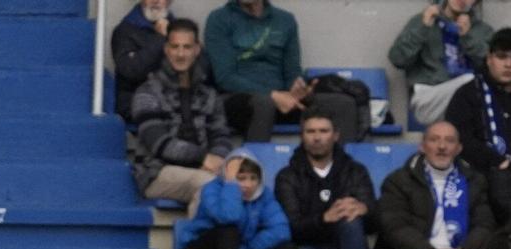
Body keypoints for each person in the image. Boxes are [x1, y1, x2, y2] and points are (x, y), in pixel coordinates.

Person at [203, 0, 362, 145]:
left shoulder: (285, 20)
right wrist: (273, 95)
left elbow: (292, 70)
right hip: (237, 99)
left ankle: (344, 173)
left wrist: (298, 89)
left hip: (283, 98)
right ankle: (255, 170)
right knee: (264, 103)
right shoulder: (219, 19)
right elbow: (225, 77)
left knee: (343, 104)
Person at [128, 18, 235, 213]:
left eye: (187, 47)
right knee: (209, 185)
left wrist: (217, 158)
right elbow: (159, 143)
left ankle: (208, 242)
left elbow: (221, 134)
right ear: (166, 49)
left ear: (197, 50)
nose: (180, 53)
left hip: (203, 169)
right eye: (175, 47)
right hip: (157, 172)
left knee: (242, 185)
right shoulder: (147, 92)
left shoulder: (208, 94)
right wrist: (203, 158)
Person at [374, 121, 493, 249]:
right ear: (422, 146)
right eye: (434, 140)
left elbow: (484, 225)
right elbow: (394, 227)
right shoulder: (399, 180)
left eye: (449, 141)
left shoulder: (474, 181)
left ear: (459, 149)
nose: (442, 146)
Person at [273, 110, 377, 249]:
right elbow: (290, 227)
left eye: (323, 131)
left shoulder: (355, 171)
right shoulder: (287, 176)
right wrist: (324, 218)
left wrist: (364, 210)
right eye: (311, 132)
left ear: (336, 135)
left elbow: (375, 222)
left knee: (349, 215)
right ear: (302, 136)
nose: (317, 137)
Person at [176, 149, 294, 249]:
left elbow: (281, 231)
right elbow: (229, 216)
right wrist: (230, 185)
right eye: (241, 178)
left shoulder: (264, 194)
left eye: (253, 178)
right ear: (229, 176)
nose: (248, 184)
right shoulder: (211, 189)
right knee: (228, 231)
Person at [443, 27, 511, 176]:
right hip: (482, 177)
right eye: (502, 57)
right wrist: (497, 162)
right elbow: (460, 139)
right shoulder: (467, 95)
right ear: (489, 59)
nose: (508, 64)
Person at [389, 0, 487, 129]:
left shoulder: (482, 30)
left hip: (466, 106)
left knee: (475, 85)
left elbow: (493, 71)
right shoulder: (423, 20)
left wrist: (468, 38)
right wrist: (423, 27)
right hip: (428, 100)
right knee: (470, 81)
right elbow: (398, 59)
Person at [113, 1, 196, 121]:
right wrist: (162, 39)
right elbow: (131, 71)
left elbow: (201, 68)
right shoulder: (124, 30)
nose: (156, 1)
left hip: (175, 98)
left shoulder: (181, 28)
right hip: (137, 101)